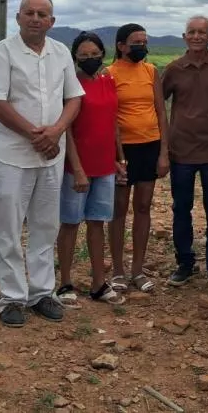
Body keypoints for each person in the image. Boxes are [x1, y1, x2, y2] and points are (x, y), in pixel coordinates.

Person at [0, 0, 84, 327]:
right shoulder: (2, 52)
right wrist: (35, 135)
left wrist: (55, 132)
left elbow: (73, 99)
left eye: (43, 14)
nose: (36, 18)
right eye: (30, 13)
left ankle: (42, 293)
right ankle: (11, 298)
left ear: (52, 21)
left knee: (45, 226)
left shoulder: (61, 52)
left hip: (52, 155)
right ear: (18, 17)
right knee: (10, 229)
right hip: (12, 155)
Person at [162, 16, 208, 295]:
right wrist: (163, 147)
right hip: (180, 151)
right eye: (192, 32)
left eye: (202, 32)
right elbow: (159, 105)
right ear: (184, 37)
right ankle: (185, 263)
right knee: (181, 210)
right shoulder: (173, 69)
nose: (196, 37)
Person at [56, 32, 126, 307]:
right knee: (71, 223)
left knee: (97, 222)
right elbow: (68, 130)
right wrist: (77, 168)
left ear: (102, 54)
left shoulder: (108, 80)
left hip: (105, 165)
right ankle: (64, 283)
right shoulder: (70, 85)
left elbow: (113, 122)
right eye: (83, 56)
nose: (89, 59)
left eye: (94, 54)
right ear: (75, 57)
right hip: (78, 166)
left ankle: (99, 283)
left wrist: (119, 158)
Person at [108, 23, 168, 294]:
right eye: (135, 42)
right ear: (121, 46)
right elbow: (110, 118)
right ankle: (118, 270)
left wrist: (164, 152)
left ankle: (138, 270)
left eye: (144, 41)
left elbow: (160, 112)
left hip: (150, 145)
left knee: (143, 206)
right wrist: (117, 155)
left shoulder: (151, 71)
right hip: (123, 151)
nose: (141, 47)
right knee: (119, 209)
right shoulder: (109, 74)